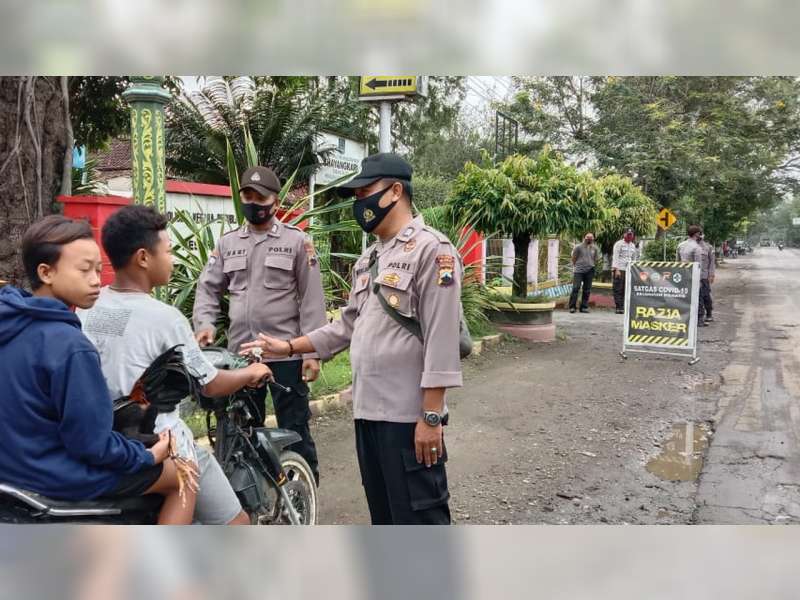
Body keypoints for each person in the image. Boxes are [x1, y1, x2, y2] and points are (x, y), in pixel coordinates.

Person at [241, 153, 462, 525]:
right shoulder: (369, 259)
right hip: (368, 413)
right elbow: (345, 326)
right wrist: (291, 347)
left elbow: (441, 338)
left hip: (408, 418)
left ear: (395, 191)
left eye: (365, 192)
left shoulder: (432, 250)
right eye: (356, 195)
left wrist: (431, 415)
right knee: (385, 516)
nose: (360, 203)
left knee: (420, 519)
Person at [78, 205, 272, 525]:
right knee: (237, 523)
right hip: (159, 440)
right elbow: (209, 383)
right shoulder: (165, 318)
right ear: (144, 257)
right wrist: (251, 372)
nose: (173, 259)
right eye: (168, 251)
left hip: (105, 436)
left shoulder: (89, 306)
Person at [0, 215, 194, 524]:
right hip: (54, 475)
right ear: (46, 272)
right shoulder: (70, 346)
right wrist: (147, 456)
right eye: (83, 270)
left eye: (97, 269)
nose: (95, 280)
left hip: (11, 471)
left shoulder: (10, 322)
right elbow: (92, 444)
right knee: (184, 474)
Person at [193, 166, 327, 485]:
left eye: (260, 197)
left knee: (294, 427)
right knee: (243, 429)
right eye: (247, 196)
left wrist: (313, 352)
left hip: (287, 356)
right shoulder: (227, 244)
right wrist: (204, 323)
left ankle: (302, 487)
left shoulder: (297, 242)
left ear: (274, 202)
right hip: (242, 356)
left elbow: (311, 299)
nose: (253, 203)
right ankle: (257, 492)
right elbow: (208, 287)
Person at [677, 225, 707, 327]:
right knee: (698, 298)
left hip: (681, 276)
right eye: (700, 234)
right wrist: (699, 280)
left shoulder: (680, 245)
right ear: (696, 234)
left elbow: (677, 262)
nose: (701, 236)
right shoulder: (697, 247)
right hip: (693, 276)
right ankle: (699, 320)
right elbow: (698, 265)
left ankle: (684, 318)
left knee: (684, 298)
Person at [569, 232, 599, 313]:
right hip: (579, 271)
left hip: (590, 271)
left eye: (591, 237)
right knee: (576, 288)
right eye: (587, 237)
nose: (589, 239)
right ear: (584, 238)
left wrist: (591, 265)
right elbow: (574, 258)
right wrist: (577, 266)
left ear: (593, 239)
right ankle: (572, 307)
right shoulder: (578, 247)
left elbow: (596, 259)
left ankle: (584, 307)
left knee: (587, 289)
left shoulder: (595, 248)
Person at [611, 227, 640, 314]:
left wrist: (634, 269)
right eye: (628, 234)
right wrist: (616, 269)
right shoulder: (619, 244)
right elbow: (615, 257)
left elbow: (634, 258)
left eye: (631, 235)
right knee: (618, 288)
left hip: (629, 270)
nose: (629, 236)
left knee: (626, 289)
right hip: (620, 269)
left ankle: (623, 306)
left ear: (633, 236)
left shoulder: (633, 245)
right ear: (624, 234)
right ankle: (618, 307)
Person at [698, 232, 715, 324]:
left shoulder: (708, 247)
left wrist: (711, 275)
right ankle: (698, 316)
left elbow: (712, 263)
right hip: (690, 276)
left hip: (704, 276)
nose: (699, 237)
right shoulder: (686, 246)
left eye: (700, 235)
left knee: (706, 296)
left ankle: (709, 314)